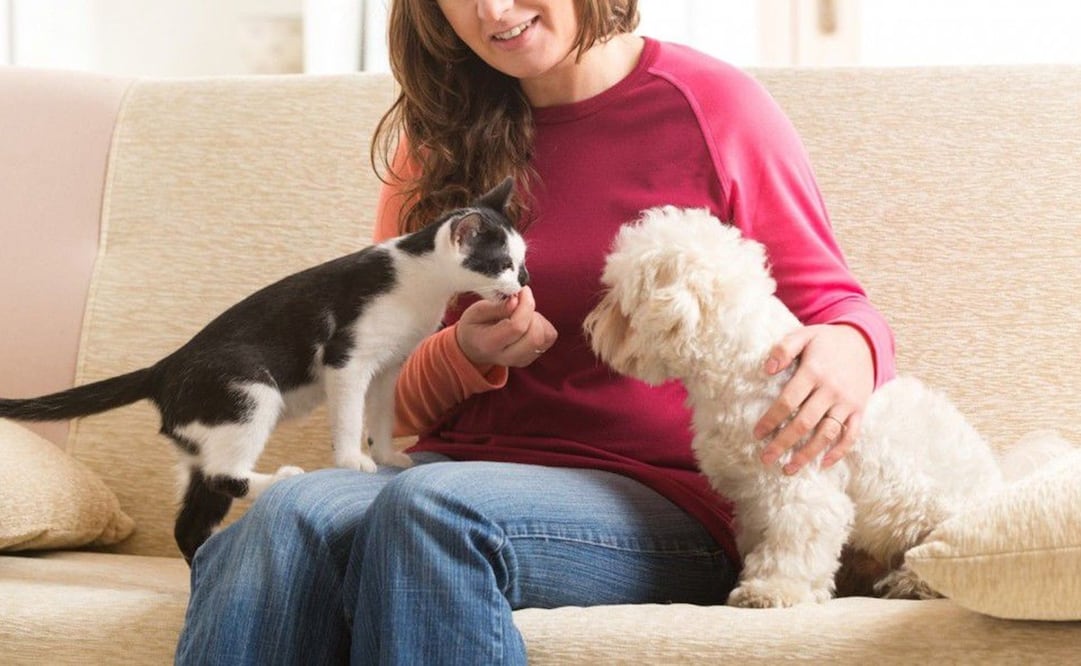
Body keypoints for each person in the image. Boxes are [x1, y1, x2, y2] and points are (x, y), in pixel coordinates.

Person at [175, 0, 895, 663]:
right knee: (288, 511)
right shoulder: (437, 142)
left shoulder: (712, 108)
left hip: (661, 495)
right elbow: (379, 410)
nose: (492, 11)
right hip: (450, 471)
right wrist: (461, 353)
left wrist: (854, 347)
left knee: (433, 511)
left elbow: (836, 307)